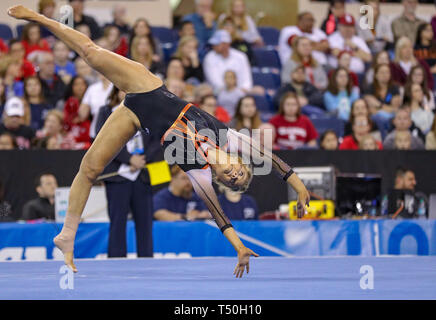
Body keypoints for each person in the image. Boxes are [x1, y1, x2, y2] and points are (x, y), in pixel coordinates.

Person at [7, 5, 310, 276]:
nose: (233, 176)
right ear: (240, 162)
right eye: (240, 173)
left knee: (89, 168)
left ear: (219, 179)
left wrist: (240, 247)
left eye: (231, 182)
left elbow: (220, 217)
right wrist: (298, 187)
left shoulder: (198, 171)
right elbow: (270, 157)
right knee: (89, 53)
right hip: (147, 88)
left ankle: (67, 234)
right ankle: (39, 18)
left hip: (136, 117)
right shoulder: (226, 137)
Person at [95, 87, 159, 258]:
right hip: (118, 174)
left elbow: (157, 137)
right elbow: (102, 139)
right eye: (124, 90)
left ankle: (146, 260)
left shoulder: (148, 111)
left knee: (145, 223)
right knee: (117, 222)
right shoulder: (106, 112)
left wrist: (142, 159)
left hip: (142, 174)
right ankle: (116, 260)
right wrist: (128, 159)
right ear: (116, 92)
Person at [362, 63, 402, 130]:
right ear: (376, 75)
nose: (385, 75)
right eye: (382, 72)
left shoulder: (394, 88)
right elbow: (371, 110)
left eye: (387, 72)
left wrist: (379, 105)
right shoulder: (369, 88)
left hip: (391, 117)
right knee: (380, 119)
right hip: (375, 119)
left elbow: (395, 109)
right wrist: (387, 108)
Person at [78, 73, 113, 139]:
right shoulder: (92, 88)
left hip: (114, 128)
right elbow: (83, 114)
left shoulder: (116, 87)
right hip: (96, 130)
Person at [63, 75, 91, 149]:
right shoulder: (67, 102)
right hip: (71, 137)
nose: (80, 87)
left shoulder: (91, 102)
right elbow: (65, 122)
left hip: (88, 137)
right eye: (76, 84)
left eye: (82, 84)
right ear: (71, 87)